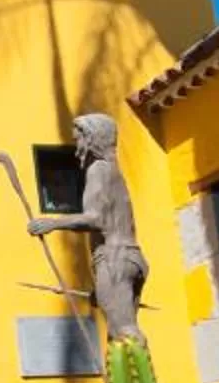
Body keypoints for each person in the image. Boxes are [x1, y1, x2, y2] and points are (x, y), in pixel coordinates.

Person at [26, 112, 146, 341]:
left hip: (113, 259)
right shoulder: (114, 173)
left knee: (124, 334)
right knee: (118, 336)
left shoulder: (98, 170)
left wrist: (53, 223)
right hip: (130, 258)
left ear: (91, 139)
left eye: (79, 140)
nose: (77, 148)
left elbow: (95, 219)